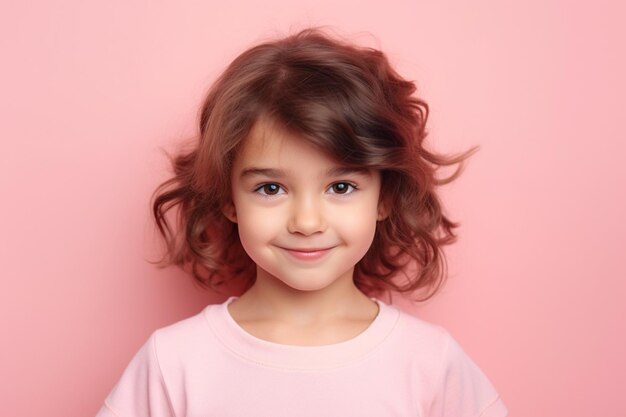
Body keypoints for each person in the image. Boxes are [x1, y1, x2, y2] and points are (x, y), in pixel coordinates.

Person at [96, 27, 507, 417]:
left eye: (341, 187)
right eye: (271, 189)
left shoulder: (430, 364)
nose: (307, 222)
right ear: (229, 199)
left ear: (385, 196)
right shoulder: (174, 363)